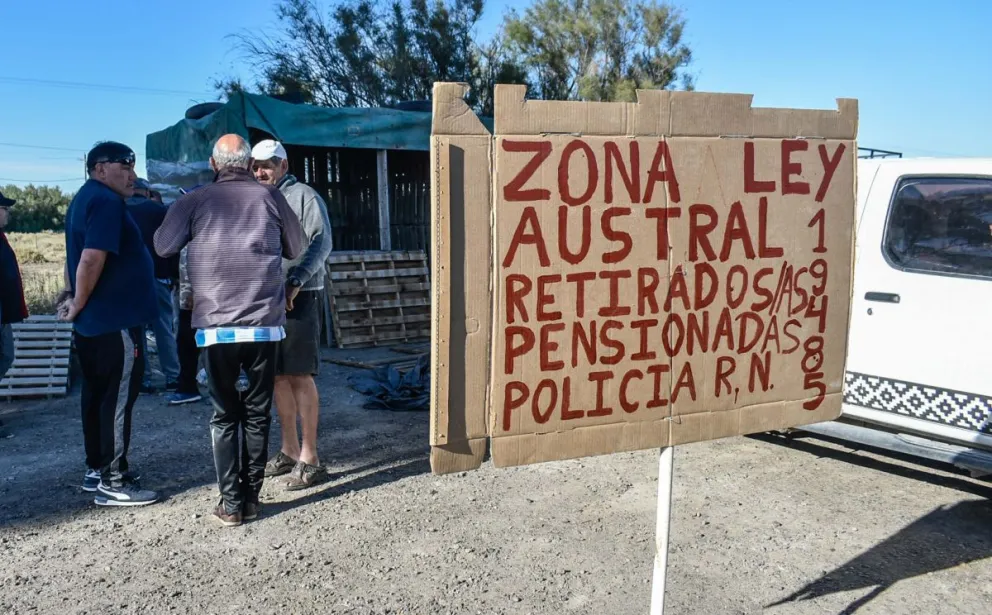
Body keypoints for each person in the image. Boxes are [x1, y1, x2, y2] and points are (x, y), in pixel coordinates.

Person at [154, 134, 303, 527]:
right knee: (257, 414)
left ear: (214, 163)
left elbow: (163, 246)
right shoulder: (272, 198)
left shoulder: (194, 200)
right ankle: (252, 500)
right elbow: (298, 246)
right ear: (247, 163)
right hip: (263, 329)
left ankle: (231, 504)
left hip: (217, 328)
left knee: (224, 416)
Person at [61, 141, 159, 506]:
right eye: (125, 166)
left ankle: (96, 468)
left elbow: (73, 259)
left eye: (133, 167)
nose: (132, 175)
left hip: (95, 323)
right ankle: (113, 480)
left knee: (97, 395)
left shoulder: (84, 198)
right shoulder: (105, 201)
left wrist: (72, 299)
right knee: (116, 399)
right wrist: (78, 303)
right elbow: (90, 259)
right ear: (100, 168)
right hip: (113, 321)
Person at [251, 140, 334, 490]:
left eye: (267, 165)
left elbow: (321, 241)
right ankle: (287, 449)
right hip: (266, 298)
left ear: (283, 165)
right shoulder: (256, 197)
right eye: (255, 166)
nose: (260, 172)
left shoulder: (304, 196)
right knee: (277, 376)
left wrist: (296, 280)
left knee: (299, 375)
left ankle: (310, 457)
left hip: (300, 295)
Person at [127, 178, 180, 393]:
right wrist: (175, 275)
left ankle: (143, 378)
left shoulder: (119, 210)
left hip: (129, 279)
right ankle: (173, 376)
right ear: (147, 192)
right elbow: (172, 245)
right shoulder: (159, 210)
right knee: (164, 327)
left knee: (136, 331)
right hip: (158, 276)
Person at [0, 191, 28, 432]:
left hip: (3, 314)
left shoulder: (1, 237)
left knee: (6, 357)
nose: (6, 211)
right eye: (3, 208)